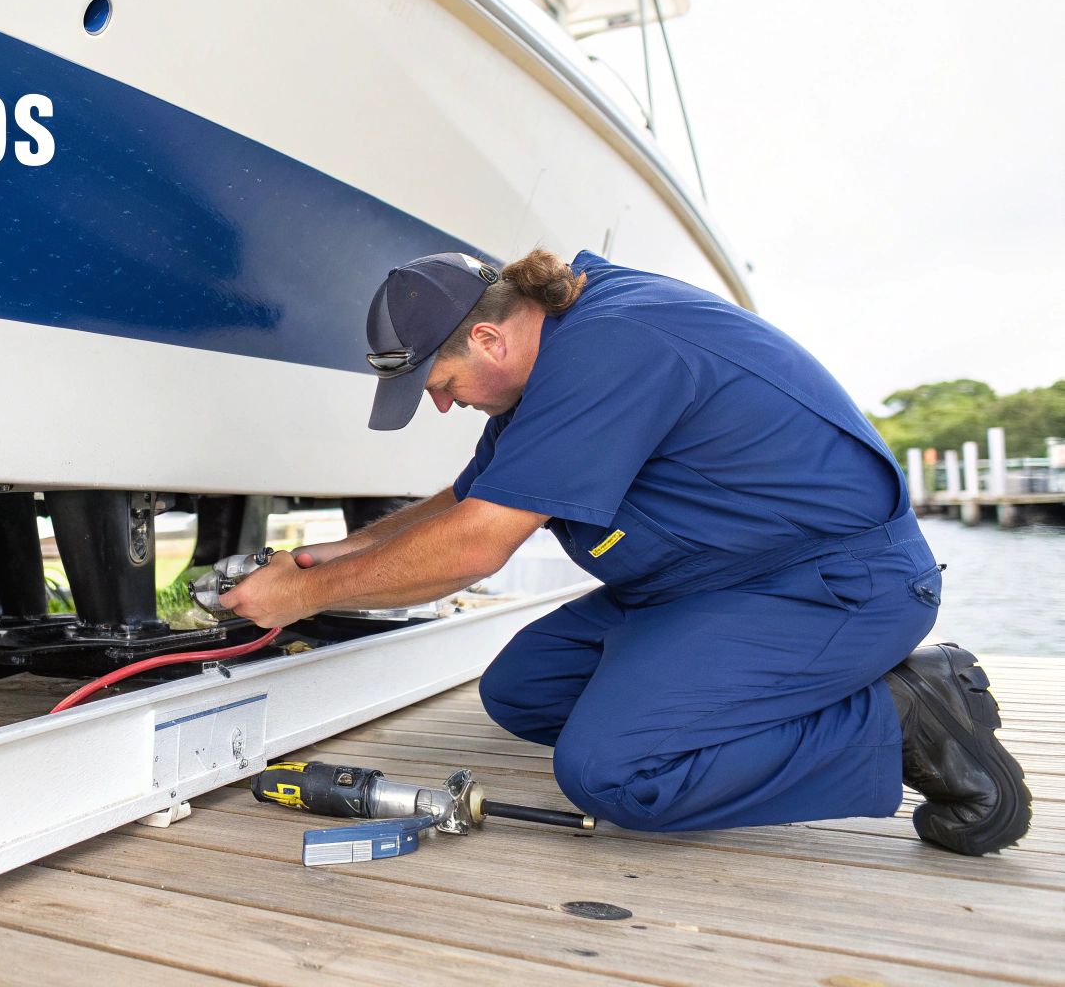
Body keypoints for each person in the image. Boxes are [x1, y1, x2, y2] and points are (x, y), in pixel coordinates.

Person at [220, 248, 1030, 854]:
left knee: (616, 773)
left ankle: (905, 715)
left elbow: (473, 549)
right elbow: (469, 500)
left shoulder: (611, 347)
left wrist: (301, 599)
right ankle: (768, 695)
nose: (440, 405)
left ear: (490, 338)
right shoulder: (554, 361)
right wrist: (336, 554)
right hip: (711, 585)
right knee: (524, 690)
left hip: (834, 584)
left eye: (441, 384)